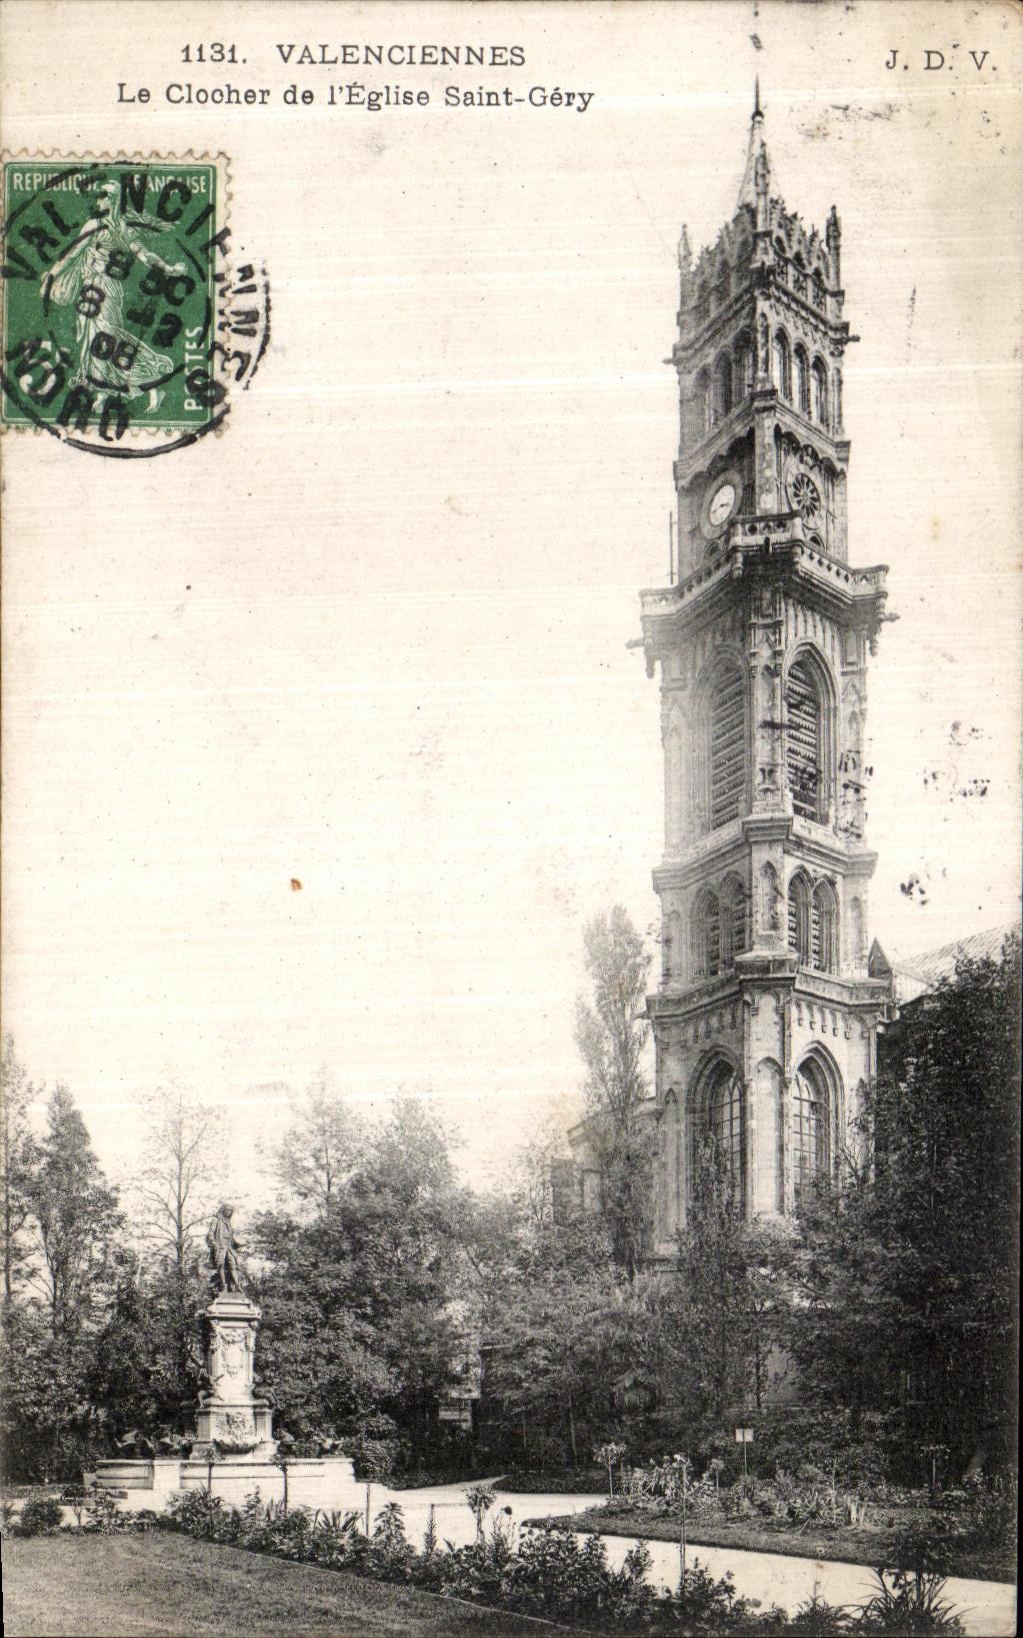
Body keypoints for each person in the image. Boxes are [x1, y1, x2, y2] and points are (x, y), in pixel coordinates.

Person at [40, 179, 189, 410]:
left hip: (104, 290)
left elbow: (143, 255)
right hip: (93, 290)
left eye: (103, 195)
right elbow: (72, 254)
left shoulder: (111, 227)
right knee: (95, 339)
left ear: (113, 200)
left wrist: (169, 269)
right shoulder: (106, 226)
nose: (99, 199)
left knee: (106, 338)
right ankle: (104, 390)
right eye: (99, 195)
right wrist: (51, 276)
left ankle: (149, 382)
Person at [207, 1202, 246, 1294]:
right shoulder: (216, 1219)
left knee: (233, 1264)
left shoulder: (228, 1222)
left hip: (229, 1247)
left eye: (230, 1211)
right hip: (220, 1246)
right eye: (227, 1210)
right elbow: (210, 1233)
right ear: (223, 1210)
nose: (228, 1212)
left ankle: (237, 1286)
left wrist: (238, 1244)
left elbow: (230, 1237)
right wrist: (214, 1244)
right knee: (221, 1265)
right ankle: (223, 1285)